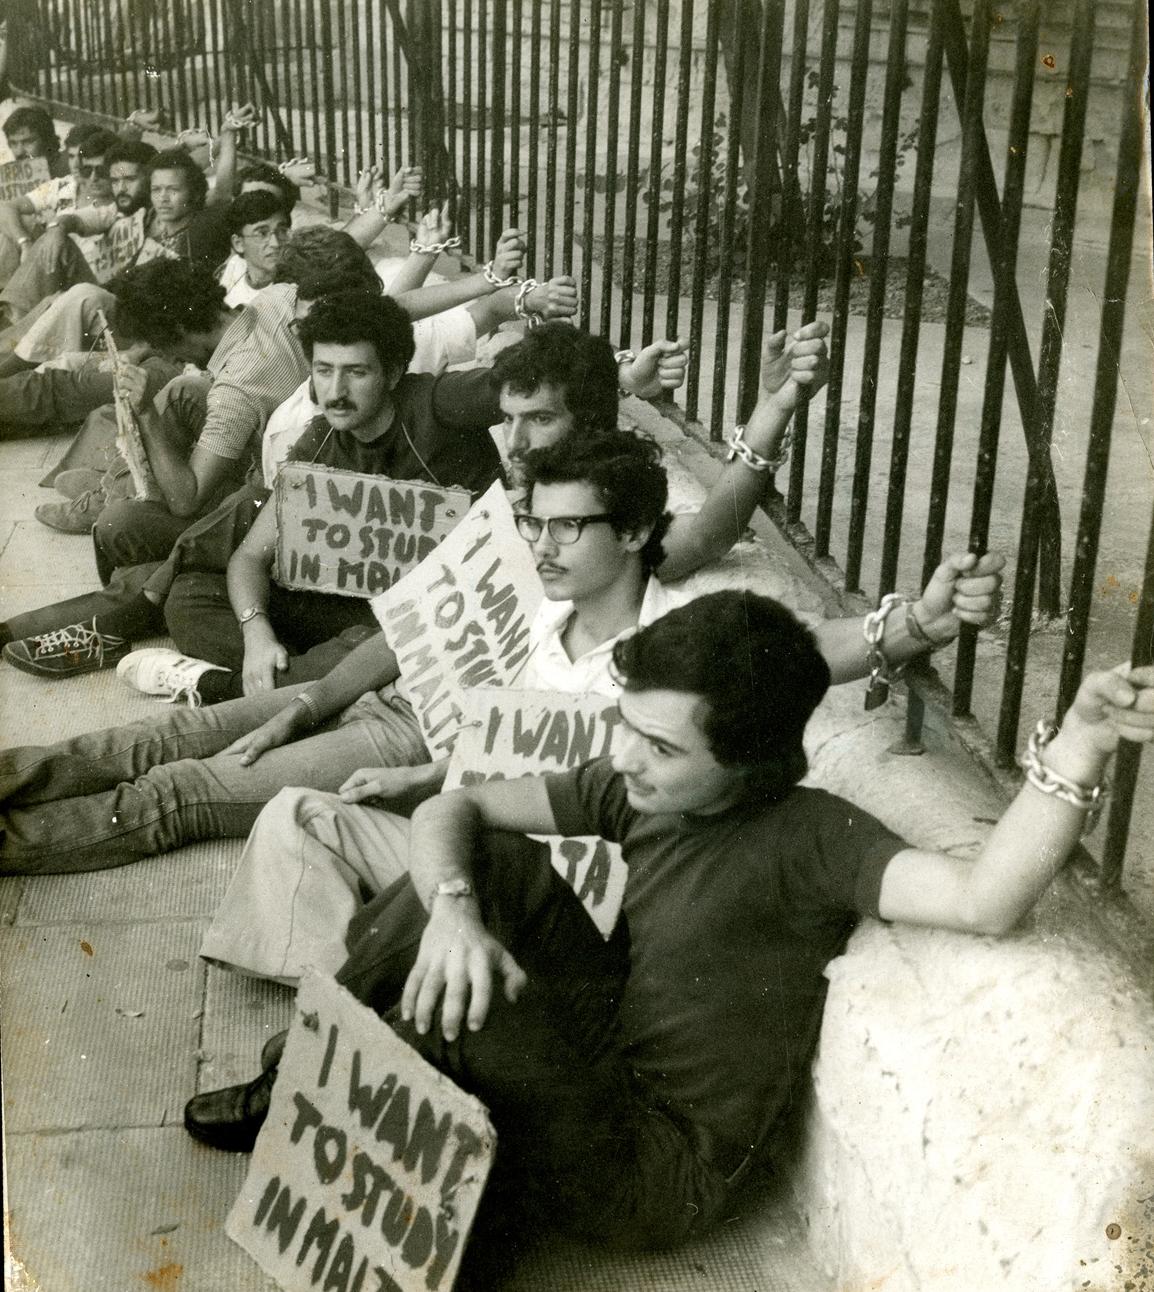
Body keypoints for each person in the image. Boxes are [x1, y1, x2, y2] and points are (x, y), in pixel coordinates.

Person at [183, 590, 1154, 1281]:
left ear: (748, 762)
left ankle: (408, 1160)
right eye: (624, 728)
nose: (621, 759)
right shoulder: (635, 782)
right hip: (603, 1052)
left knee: (457, 1017)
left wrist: (1075, 743)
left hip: (656, 1162)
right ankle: (305, 1076)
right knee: (477, 876)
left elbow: (986, 895)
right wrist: (451, 908)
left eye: (657, 747)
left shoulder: (811, 835)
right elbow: (455, 804)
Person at [196, 428, 1002, 984]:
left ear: (635, 530)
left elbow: (810, 650)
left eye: (567, 528)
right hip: (487, 835)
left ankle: (368, 999)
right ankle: (344, 996)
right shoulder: (534, 616)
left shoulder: (676, 644)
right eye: (533, 525)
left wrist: (918, 626)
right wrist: (423, 776)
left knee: (412, 880)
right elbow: (500, 742)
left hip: (577, 893)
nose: (540, 546)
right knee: (297, 815)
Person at [221, 189, 290, 307]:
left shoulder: (288, 292)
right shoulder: (235, 266)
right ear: (239, 244)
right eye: (262, 234)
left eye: (281, 231)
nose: (275, 243)